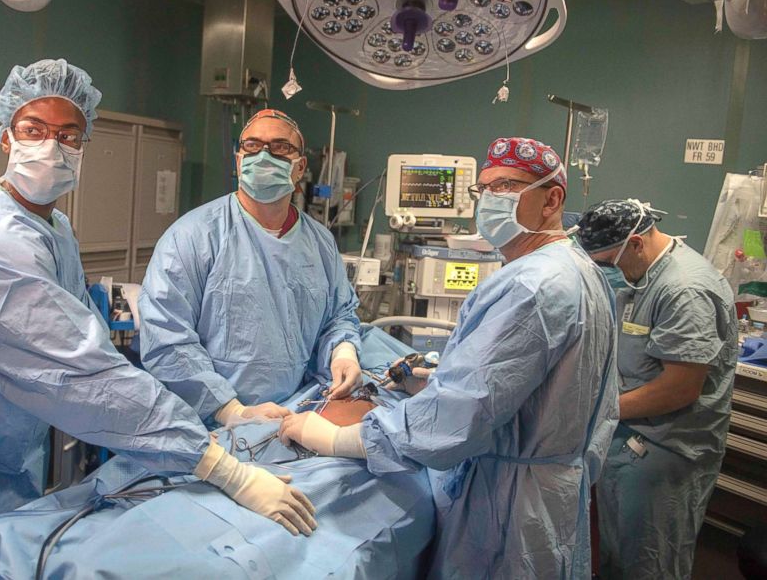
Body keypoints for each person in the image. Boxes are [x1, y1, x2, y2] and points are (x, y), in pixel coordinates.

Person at [0, 60, 316, 537]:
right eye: (34, 130)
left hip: (12, 449)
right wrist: (223, 466)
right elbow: (80, 370)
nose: (52, 146)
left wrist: (235, 415)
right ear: (6, 136)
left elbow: (84, 343)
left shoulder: (55, 229)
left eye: (69, 136)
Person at [279, 137, 620, 579]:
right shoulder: (580, 271)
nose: (489, 201)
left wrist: (329, 438)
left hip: (511, 507)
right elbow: (533, 389)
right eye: (484, 190)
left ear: (552, 199)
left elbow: (456, 419)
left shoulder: (531, 287)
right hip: (550, 492)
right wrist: (428, 384)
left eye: (506, 187)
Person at [137, 108, 363, 428]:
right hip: (212, 422)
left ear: (299, 169)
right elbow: (167, 337)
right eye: (253, 146)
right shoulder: (193, 236)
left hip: (298, 413)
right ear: (239, 161)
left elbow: (338, 316)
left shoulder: (320, 242)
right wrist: (230, 410)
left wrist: (343, 352)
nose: (264, 154)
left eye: (280, 147)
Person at [576, 198, 738, 579]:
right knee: (617, 557)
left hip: (667, 450)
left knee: (650, 563)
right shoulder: (643, 276)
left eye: (605, 263)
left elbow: (678, 389)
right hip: (630, 441)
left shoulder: (685, 289)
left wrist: (600, 408)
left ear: (635, 244)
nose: (604, 273)